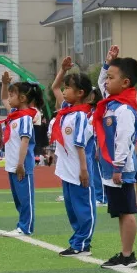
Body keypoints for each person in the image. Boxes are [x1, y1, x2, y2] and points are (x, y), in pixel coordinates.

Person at [95, 47, 137, 268]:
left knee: (127, 211)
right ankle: (125, 253)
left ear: (125, 83)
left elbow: (123, 140)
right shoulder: (111, 102)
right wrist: (107, 63)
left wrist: (118, 167)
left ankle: (128, 255)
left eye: (111, 78)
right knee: (121, 212)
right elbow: (100, 82)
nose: (106, 82)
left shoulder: (123, 109)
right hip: (110, 167)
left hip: (120, 169)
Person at [51, 64, 96, 256]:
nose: (63, 90)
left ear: (80, 93)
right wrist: (62, 70)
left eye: (68, 88)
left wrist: (84, 169)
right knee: (71, 207)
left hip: (79, 168)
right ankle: (78, 240)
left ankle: (83, 243)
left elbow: (80, 145)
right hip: (66, 168)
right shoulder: (66, 110)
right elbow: (54, 88)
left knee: (83, 207)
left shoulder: (80, 115)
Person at [3, 81, 42, 235]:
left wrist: (21, 164)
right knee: (18, 198)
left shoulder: (25, 118)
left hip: (22, 164)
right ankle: (21, 224)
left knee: (26, 199)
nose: (9, 98)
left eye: (13, 95)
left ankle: (26, 227)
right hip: (12, 162)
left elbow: (25, 141)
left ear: (23, 98)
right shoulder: (14, 116)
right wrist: (4, 84)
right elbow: (4, 99)